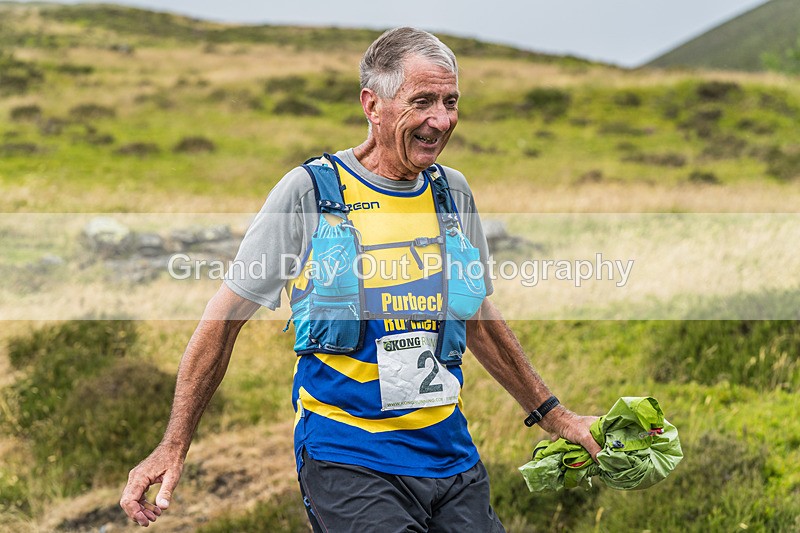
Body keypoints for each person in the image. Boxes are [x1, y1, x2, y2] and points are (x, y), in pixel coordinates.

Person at [120, 27, 601, 531]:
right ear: (373, 105)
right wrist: (172, 446)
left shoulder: (452, 193)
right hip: (349, 458)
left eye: (451, 101)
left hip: (450, 458)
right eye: (423, 102)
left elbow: (476, 315)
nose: (441, 120)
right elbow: (222, 322)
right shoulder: (309, 192)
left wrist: (555, 416)